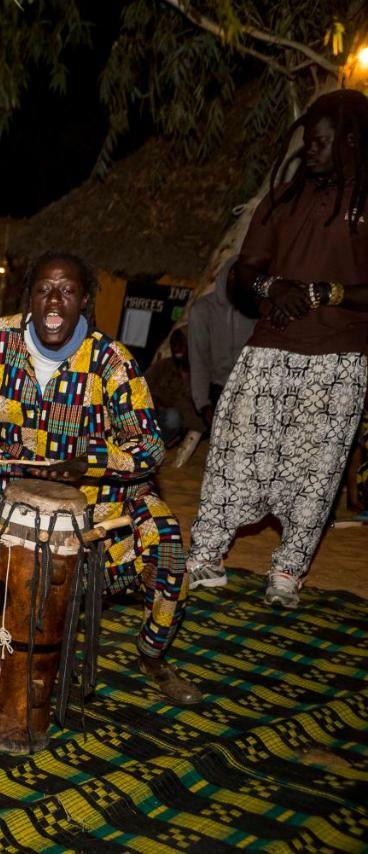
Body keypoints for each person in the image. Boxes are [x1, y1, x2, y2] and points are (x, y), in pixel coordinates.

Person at [0, 252, 202, 705]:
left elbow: (148, 447)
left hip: (92, 490)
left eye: (67, 291)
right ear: (29, 295)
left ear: (83, 300)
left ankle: (153, 655)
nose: (54, 301)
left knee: (163, 536)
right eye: (44, 288)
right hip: (1, 476)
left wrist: (93, 460)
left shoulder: (111, 361)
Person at [186, 89, 368, 607]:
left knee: (317, 466)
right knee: (235, 449)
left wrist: (327, 293)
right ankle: (205, 556)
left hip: (340, 357)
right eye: (308, 141)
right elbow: (245, 273)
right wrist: (274, 288)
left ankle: (287, 573)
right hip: (271, 347)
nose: (310, 150)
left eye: (322, 142)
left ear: (351, 143)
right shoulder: (283, 197)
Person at [186, 257, 256, 431]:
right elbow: (199, 359)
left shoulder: (256, 308)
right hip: (219, 389)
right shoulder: (203, 311)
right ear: (231, 277)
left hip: (253, 388)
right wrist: (203, 404)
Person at [143, 327, 204, 446]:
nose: (177, 348)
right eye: (174, 344)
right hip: (154, 414)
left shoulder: (200, 373)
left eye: (182, 344)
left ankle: (159, 444)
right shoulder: (163, 366)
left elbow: (197, 414)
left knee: (173, 417)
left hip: (179, 421)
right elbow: (140, 386)